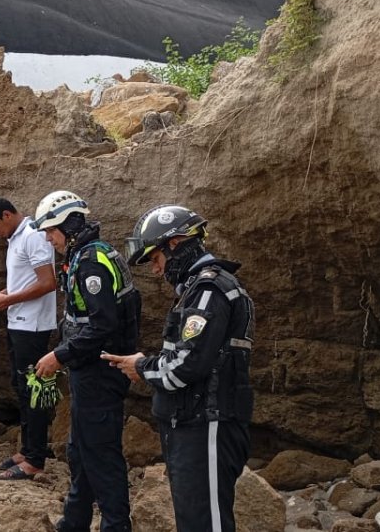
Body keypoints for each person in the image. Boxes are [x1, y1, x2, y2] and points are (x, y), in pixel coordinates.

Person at [103, 206, 253, 532]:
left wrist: (141, 366)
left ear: (176, 244)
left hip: (207, 424)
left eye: (155, 259)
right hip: (192, 423)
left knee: (206, 524)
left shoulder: (208, 290)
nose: (156, 270)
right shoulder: (197, 290)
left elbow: (187, 366)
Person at [31, 191, 139, 532]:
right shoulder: (87, 255)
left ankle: (115, 525)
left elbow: (102, 324)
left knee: (100, 454)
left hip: (100, 372)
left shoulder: (92, 262)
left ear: (69, 226)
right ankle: (74, 522)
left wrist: (60, 355)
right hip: (90, 371)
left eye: (51, 231)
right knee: (81, 452)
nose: (48, 239)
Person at [0, 197, 58, 480]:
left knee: (33, 390)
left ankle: (35, 458)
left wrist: (8, 299)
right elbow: (26, 282)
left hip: (34, 326)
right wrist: (3, 296)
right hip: (19, 323)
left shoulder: (34, 236)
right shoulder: (15, 238)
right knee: (21, 386)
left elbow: (48, 283)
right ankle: (28, 449)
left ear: (7, 215)